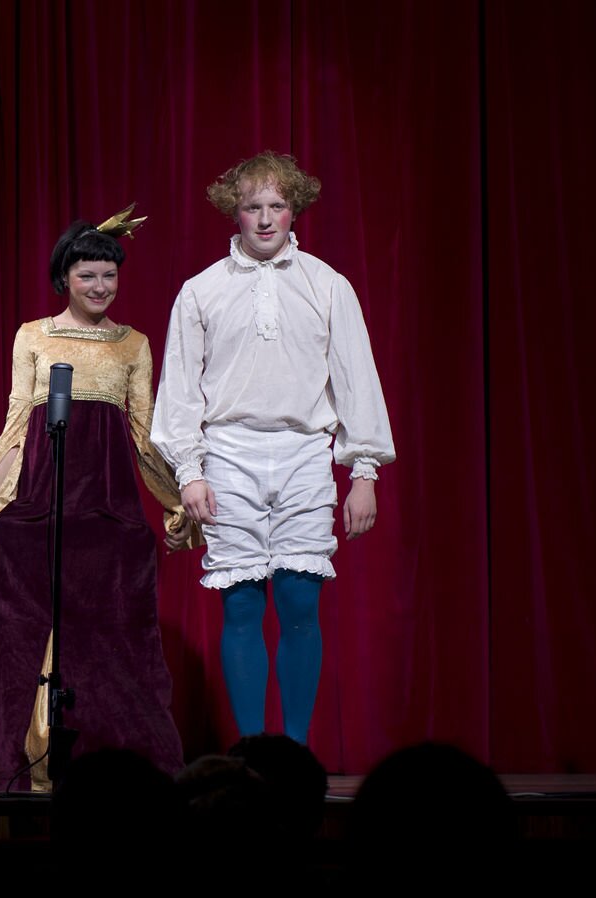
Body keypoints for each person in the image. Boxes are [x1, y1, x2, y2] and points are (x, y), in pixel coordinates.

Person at [151, 151, 395, 745]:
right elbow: (179, 388)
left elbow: (356, 379)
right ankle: (254, 750)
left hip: (303, 451)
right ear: (233, 212)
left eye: (276, 206)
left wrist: (363, 472)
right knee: (240, 607)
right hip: (228, 453)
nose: (265, 219)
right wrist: (190, 470)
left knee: (299, 603)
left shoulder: (327, 285)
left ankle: (296, 750)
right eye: (252, 206)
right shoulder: (201, 290)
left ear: (294, 210)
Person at [0, 217, 191, 791]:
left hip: (108, 509)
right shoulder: (32, 336)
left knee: (112, 631)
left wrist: (173, 501)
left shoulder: (134, 344)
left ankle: (114, 764)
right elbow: (18, 420)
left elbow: (144, 433)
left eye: (109, 275)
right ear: (64, 278)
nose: (100, 286)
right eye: (88, 275)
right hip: (40, 501)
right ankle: (22, 761)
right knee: (20, 628)